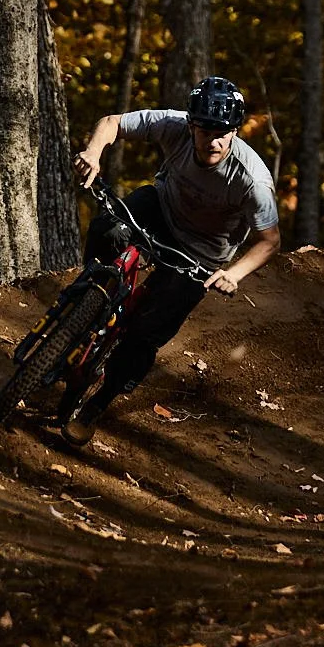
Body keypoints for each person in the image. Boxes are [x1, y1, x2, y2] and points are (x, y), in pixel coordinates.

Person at [63, 76, 281, 445]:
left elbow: (270, 241)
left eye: (223, 133)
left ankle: (96, 405)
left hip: (203, 253)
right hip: (161, 209)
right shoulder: (174, 125)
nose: (213, 141)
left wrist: (234, 274)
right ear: (191, 125)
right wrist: (93, 153)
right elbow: (112, 122)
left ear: (234, 132)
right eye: (206, 131)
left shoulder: (252, 180)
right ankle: (88, 299)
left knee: (145, 335)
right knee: (108, 227)